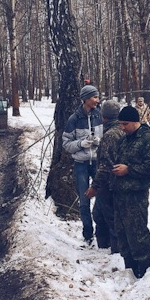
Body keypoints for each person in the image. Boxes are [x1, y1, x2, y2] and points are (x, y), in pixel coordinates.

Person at [109, 105, 150, 278]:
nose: (122, 128)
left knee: (137, 234)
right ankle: (129, 270)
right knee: (122, 234)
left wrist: (128, 170)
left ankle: (144, 273)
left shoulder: (148, 139)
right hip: (120, 194)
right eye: (120, 124)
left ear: (134, 122)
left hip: (136, 196)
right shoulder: (124, 140)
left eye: (125, 124)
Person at [61, 84, 104, 244]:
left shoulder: (99, 115)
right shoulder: (74, 119)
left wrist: (100, 142)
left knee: (102, 195)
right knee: (84, 199)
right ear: (86, 99)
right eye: (94, 97)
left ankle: (101, 231)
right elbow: (66, 144)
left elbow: (107, 135)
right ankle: (88, 234)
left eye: (98, 97)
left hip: (97, 164)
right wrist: (81, 143)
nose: (97, 100)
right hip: (81, 164)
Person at [85, 99, 123, 253]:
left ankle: (116, 252)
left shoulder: (110, 135)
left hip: (108, 184)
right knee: (99, 214)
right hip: (113, 182)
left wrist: (95, 186)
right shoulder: (120, 130)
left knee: (110, 218)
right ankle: (104, 248)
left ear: (104, 116)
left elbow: (106, 165)